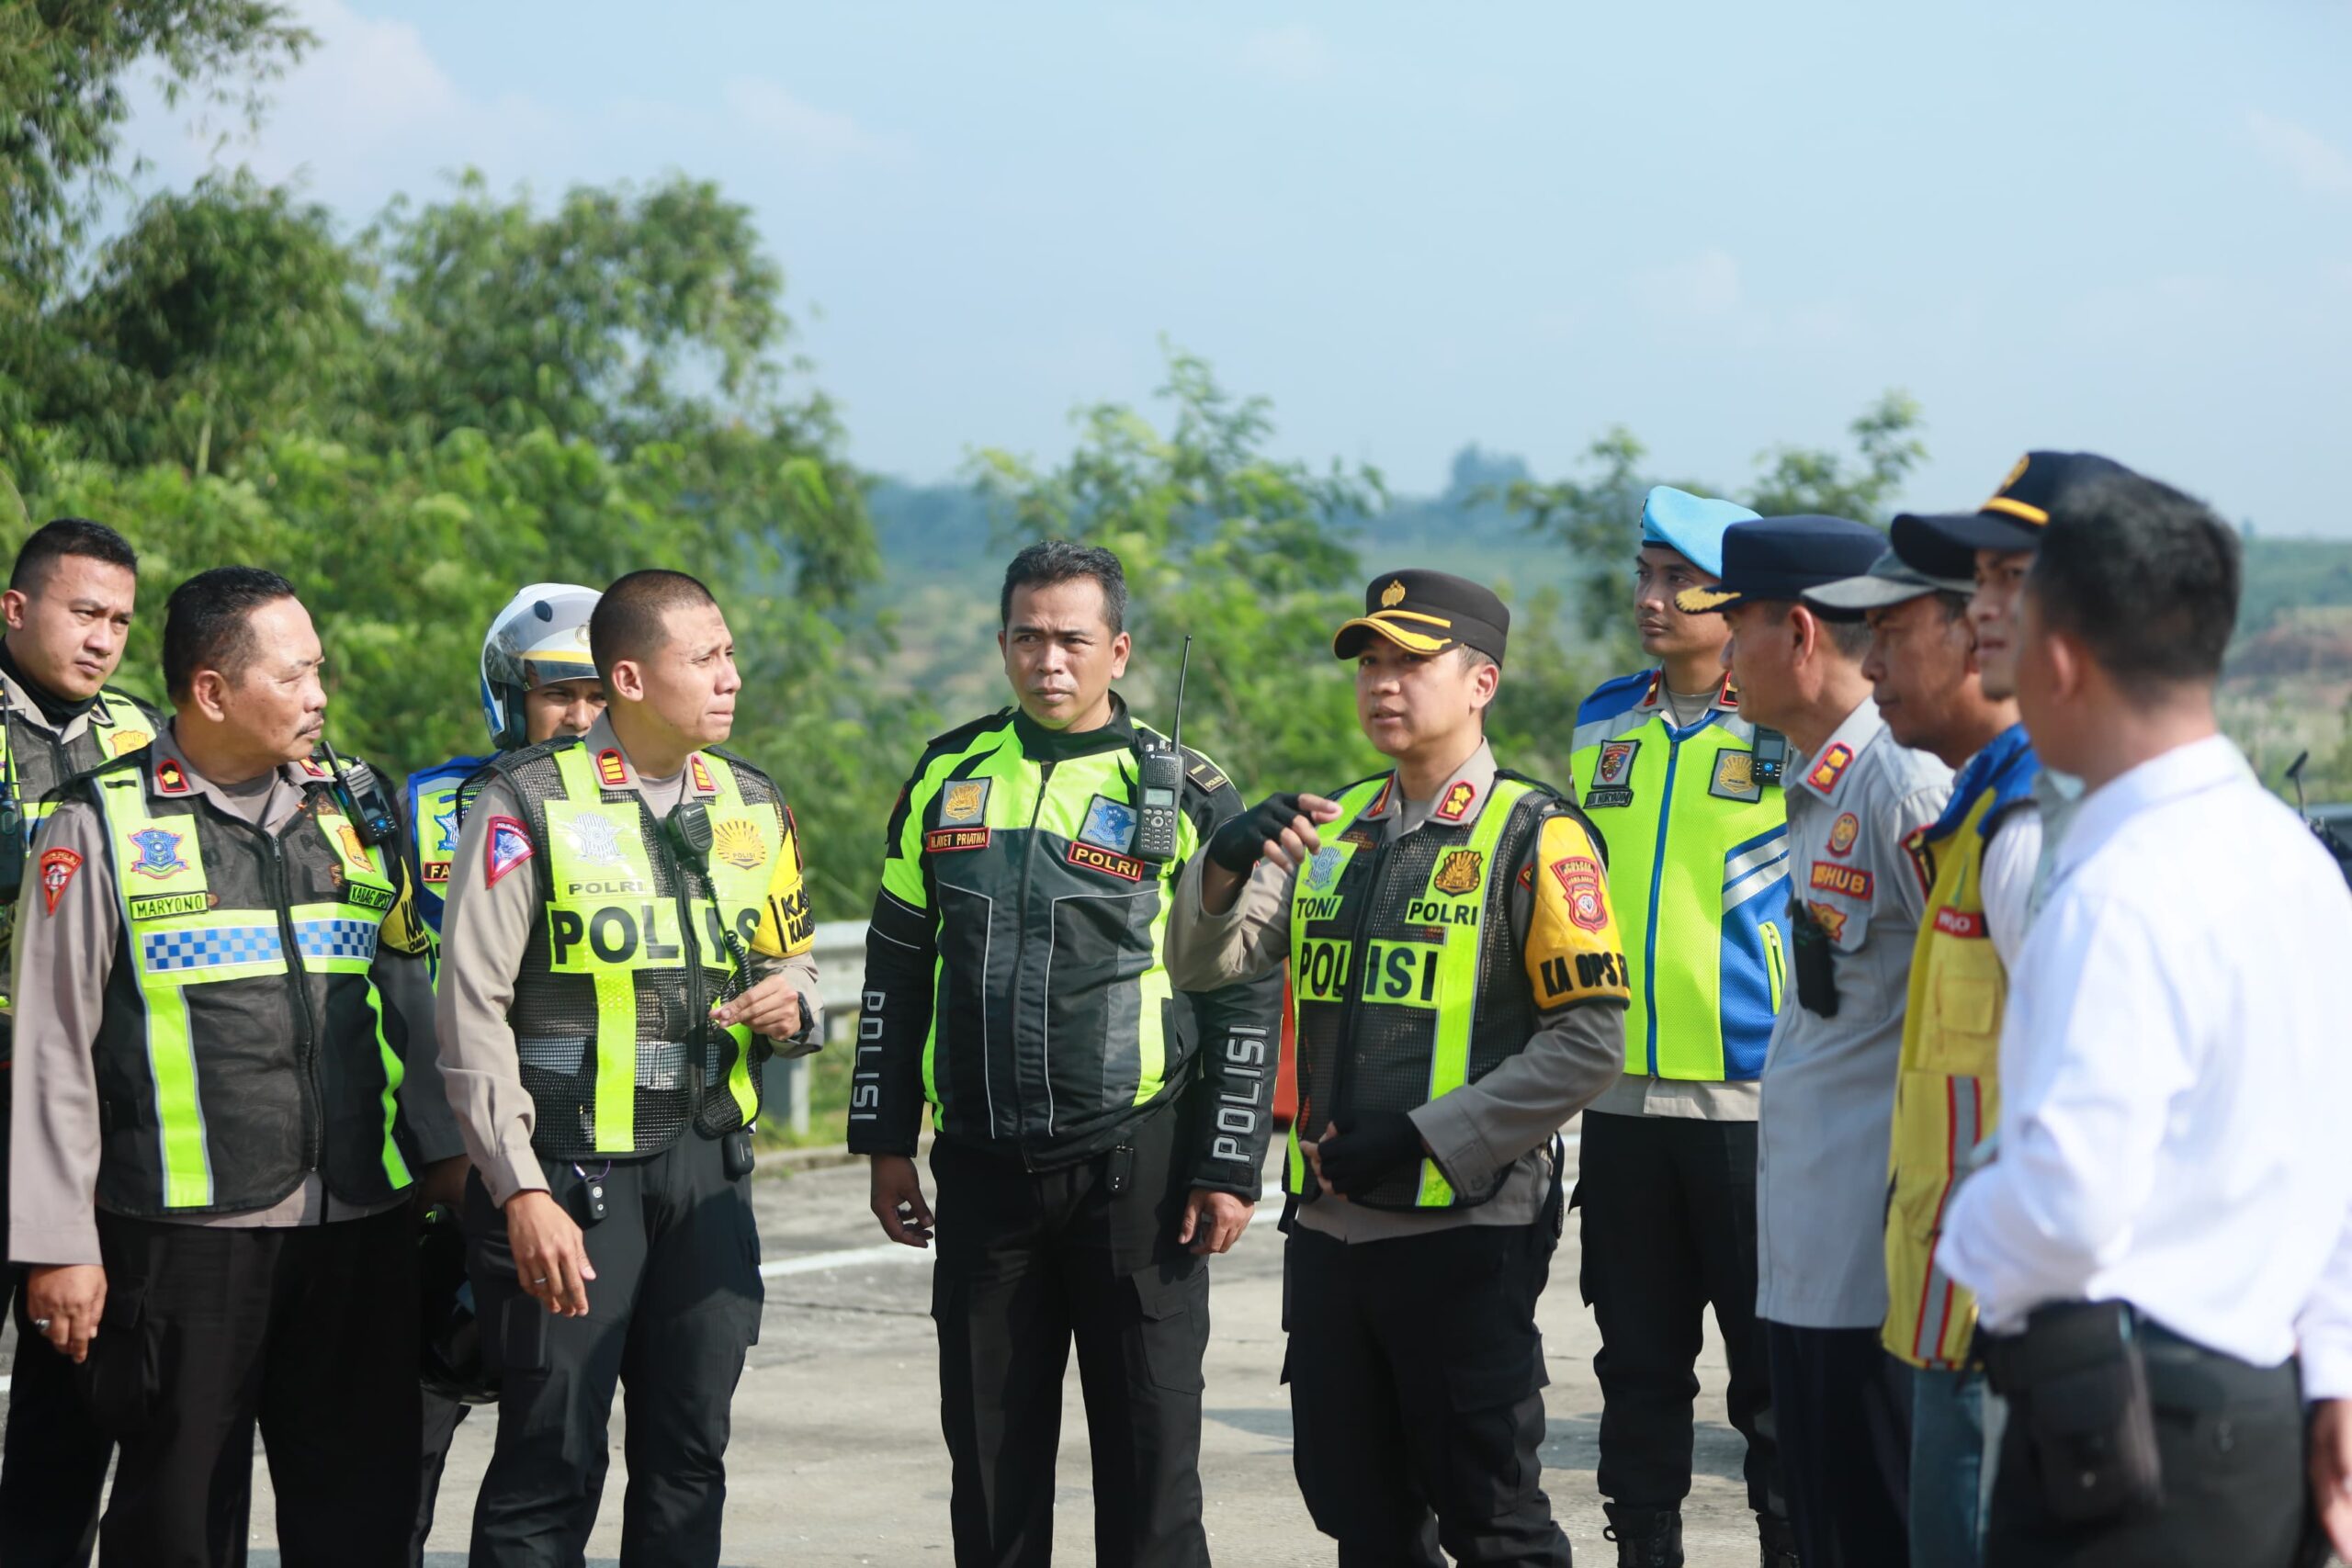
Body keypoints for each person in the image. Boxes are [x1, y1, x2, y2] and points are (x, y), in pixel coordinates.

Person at [1166, 569, 1629, 1568]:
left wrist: (1426, 1137)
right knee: (1360, 1515)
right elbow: (1206, 965)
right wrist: (1222, 863)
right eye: (1370, 662)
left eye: (1411, 662)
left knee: (1491, 1518)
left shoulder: (1534, 834)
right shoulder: (1330, 828)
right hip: (1332, 1235)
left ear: (1481, 682)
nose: (1382, 682)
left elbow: (1591, 1042)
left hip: (1468, 1233)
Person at [1938, 471, 2352, 1567]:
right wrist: (2336, 1366)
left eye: (2012, 604)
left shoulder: (2119, 890)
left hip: (2129, 1437)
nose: (1986, 628)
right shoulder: (2293, 862)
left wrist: (1965, 1226)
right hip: (2262, 1414)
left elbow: (2068, 1204)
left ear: (2062, 658)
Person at [8, 565, 458, 1567]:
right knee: (177, 1525)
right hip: (182, 1243)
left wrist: (450, 1162)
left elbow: (408, 991)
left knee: (363, 1520)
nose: (319, 696)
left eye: (319, 671)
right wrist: (58, 1244)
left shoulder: (356, 805)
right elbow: (52, 1049)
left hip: (359, 1227)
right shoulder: (98, 823)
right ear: (211, 691)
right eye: (294, 676)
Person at [847, 540, 1278, 1568]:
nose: (1049, 661)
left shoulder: (1187, 792)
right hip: (982, 1171)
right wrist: (885, 1140)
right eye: (1028, 637)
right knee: (991, 1471)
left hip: (1138, 1171)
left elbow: (1243, 986)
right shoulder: (947, 773)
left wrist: (1228, 1163)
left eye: (1073, 640)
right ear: (1001, 643)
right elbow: (897, 966)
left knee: (1151, 1473)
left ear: (1117, 651)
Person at [435, 569, 817, 1566]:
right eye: (706, 658)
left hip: (710, 1175)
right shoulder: (524, 802)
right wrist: (519, 1190)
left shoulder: (753, 802)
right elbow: (470, 1011)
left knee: (690, 1454)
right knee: (551, 1461)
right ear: (632, 679)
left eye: (730, 654)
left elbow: (792, 960)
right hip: (567, 1177)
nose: (731, 677)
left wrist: (795, 1002)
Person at [1675, 517, 1951, 1568]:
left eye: (1734, 625)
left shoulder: (1905, 787)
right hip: (1812, 1263)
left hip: (1878, 1277)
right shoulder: (1820, 777)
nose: (1721, 653)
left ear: (1795, 633)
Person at [1567, 488, 1796, 1568]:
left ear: (1736, 599)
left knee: (1772, 1379)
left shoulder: (1790, 723)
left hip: (1755, 1106)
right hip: (1618, 1101)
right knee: (1636, 1369)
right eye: (1645, 574)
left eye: (1680, 580)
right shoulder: (1602, 718)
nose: (1651, 598)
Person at [1805, 538, 2039, 1568]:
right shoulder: (1976, 809)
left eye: (1893, 636)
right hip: (1952, 1308)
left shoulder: (2026, 829)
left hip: (2010, 1323)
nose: (1869, 666)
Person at [405, 583, 604, 1565]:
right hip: (445, 1163)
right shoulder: (427, 809)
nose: (581, 716)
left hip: (581, 1160)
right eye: (558, 694)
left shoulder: (655, 810)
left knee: (557, 1434)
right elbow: (402, 986)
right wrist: (445, 1157)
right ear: (508, 697)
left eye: (599, 694)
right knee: (403, 1435)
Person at [0, 519, 161, 1568]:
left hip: (84, 1096)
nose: (102, 639)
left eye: (121, 621)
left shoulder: (145, 735)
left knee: (71, 1373)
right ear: (15, 610)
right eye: (84, 613)